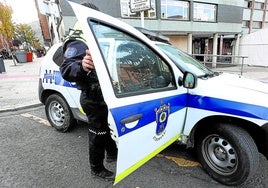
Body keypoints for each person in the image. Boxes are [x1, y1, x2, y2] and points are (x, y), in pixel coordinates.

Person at [60, 2, 117, 181]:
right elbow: (66, 68)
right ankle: (97, 168)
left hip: (103, 93)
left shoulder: (95, 35)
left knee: (103, 127)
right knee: (97, 132)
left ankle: (112, 153)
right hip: (92, 96)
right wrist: (82, 66)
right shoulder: (79, 38)